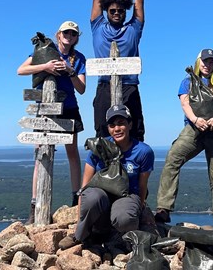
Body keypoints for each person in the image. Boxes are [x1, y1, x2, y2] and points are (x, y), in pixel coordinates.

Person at [155, 49, 213, 230]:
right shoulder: (188, 82)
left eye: (211, 62)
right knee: (173, 158)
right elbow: (185, 103)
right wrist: (196, 120)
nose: (208, 65)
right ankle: (164, 208)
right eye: (205, 61)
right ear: (199, 62)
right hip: (193, 129)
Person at [17, 21, 87, 223]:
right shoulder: (46, 50)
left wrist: (70, 70)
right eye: (66, 33)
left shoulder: (78, 58)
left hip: (69, 108)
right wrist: (46, 66)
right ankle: (35, 205)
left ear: (76, 38)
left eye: (73, 34)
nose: (69, 36)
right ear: (58, 34)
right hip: (45, 108)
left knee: (72, 153)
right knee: (41, 155)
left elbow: (81, 88)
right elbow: (20, 70)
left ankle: (76, 201)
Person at [59, 105, 155, 250]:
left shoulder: (143, 152)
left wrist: (140, 212)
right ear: (108, 128)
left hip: (127, 195)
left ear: (130, 124)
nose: (117, 129)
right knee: (92, 197)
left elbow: (142, 187)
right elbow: (84, 189)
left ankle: (122, 236)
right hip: (100, 197)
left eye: (121, 123)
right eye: (112, 125)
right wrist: (80, 223)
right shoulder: (98, 147)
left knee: (124, 218)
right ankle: (80, 236)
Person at [91, 0, 145, 140]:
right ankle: (105, 168)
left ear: (125, 11)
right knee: (102, 131)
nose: (116, 13)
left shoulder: (133, 29)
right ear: (106, 10)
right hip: (104, 85)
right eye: (112, 10)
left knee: (135, 132)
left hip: (130, 86)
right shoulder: (98, 26)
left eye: (120, 11)